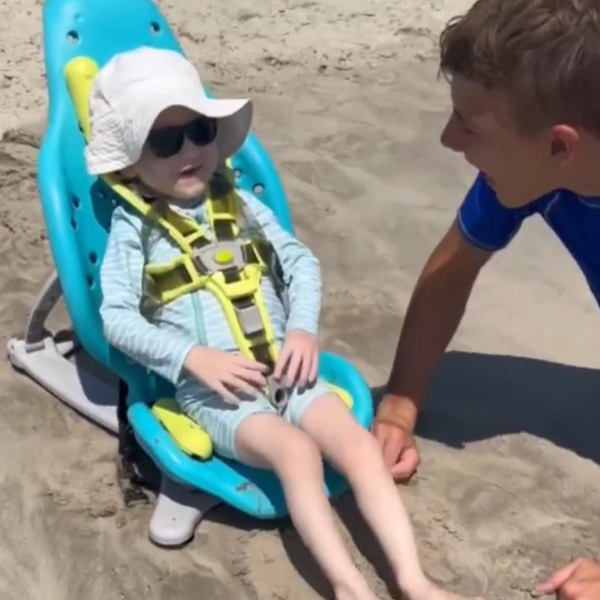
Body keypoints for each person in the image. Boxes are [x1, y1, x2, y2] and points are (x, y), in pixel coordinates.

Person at [85, 46, 478, 600]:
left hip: (288, 372)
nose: (190, 150)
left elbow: (299, 263)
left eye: (199, 130)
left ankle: (413, 580)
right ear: (129, 162)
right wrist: (191, 358)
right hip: (215, 395)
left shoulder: (240, 204)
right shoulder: (135, 229)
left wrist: (301, 329)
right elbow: (116, 319)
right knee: (297, 454)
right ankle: (348, 587)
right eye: (164, 142)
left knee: (360, 447)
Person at [372, 0, 600, 598]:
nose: (447, 139)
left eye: (469, 126)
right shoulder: (536, 174)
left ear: (559, 146)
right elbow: (451, 273)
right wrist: (400, 402)